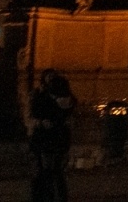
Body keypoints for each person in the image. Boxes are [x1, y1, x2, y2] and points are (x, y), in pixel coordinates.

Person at [30, 69, 75, 202]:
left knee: (49, 169)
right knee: (53, 170)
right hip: (52, 137)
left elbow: (35, 113)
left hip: (48, 137)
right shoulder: (43, 96)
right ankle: (55, 196)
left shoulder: (43, 96)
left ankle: (46, 196)